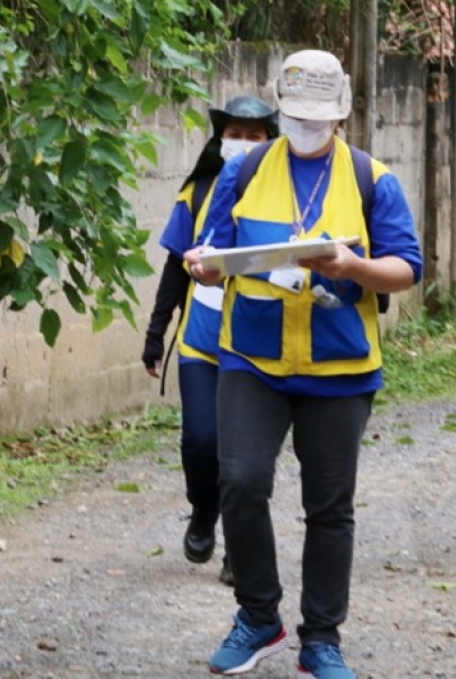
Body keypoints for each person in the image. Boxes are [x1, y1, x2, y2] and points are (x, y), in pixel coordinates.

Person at [184, 49, 422, 679]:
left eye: (318, 118)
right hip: (251, 359)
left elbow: (405, 268)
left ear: (341, 114)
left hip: (340, 369)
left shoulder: (372, 179)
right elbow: (212, 250)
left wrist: (354, 267)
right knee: (240, 481)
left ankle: (322, 640)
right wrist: (203, 265)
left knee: (329, 506)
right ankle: (258, 615)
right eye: (296, 116)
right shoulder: (245, 171)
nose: (306, 127)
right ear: (280, 110)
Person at [140, 96, 278, 586]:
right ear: (219, 139)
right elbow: (175, 267)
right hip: (201, 340)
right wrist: (155, 335)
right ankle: (203, 510)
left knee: (244, 457)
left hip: (255, 344)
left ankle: (239, 550)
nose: (242, 144)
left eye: (254, 136)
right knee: (200, 440)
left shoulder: (282, 198)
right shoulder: (197, 194)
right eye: (234, 134)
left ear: (272, 142)